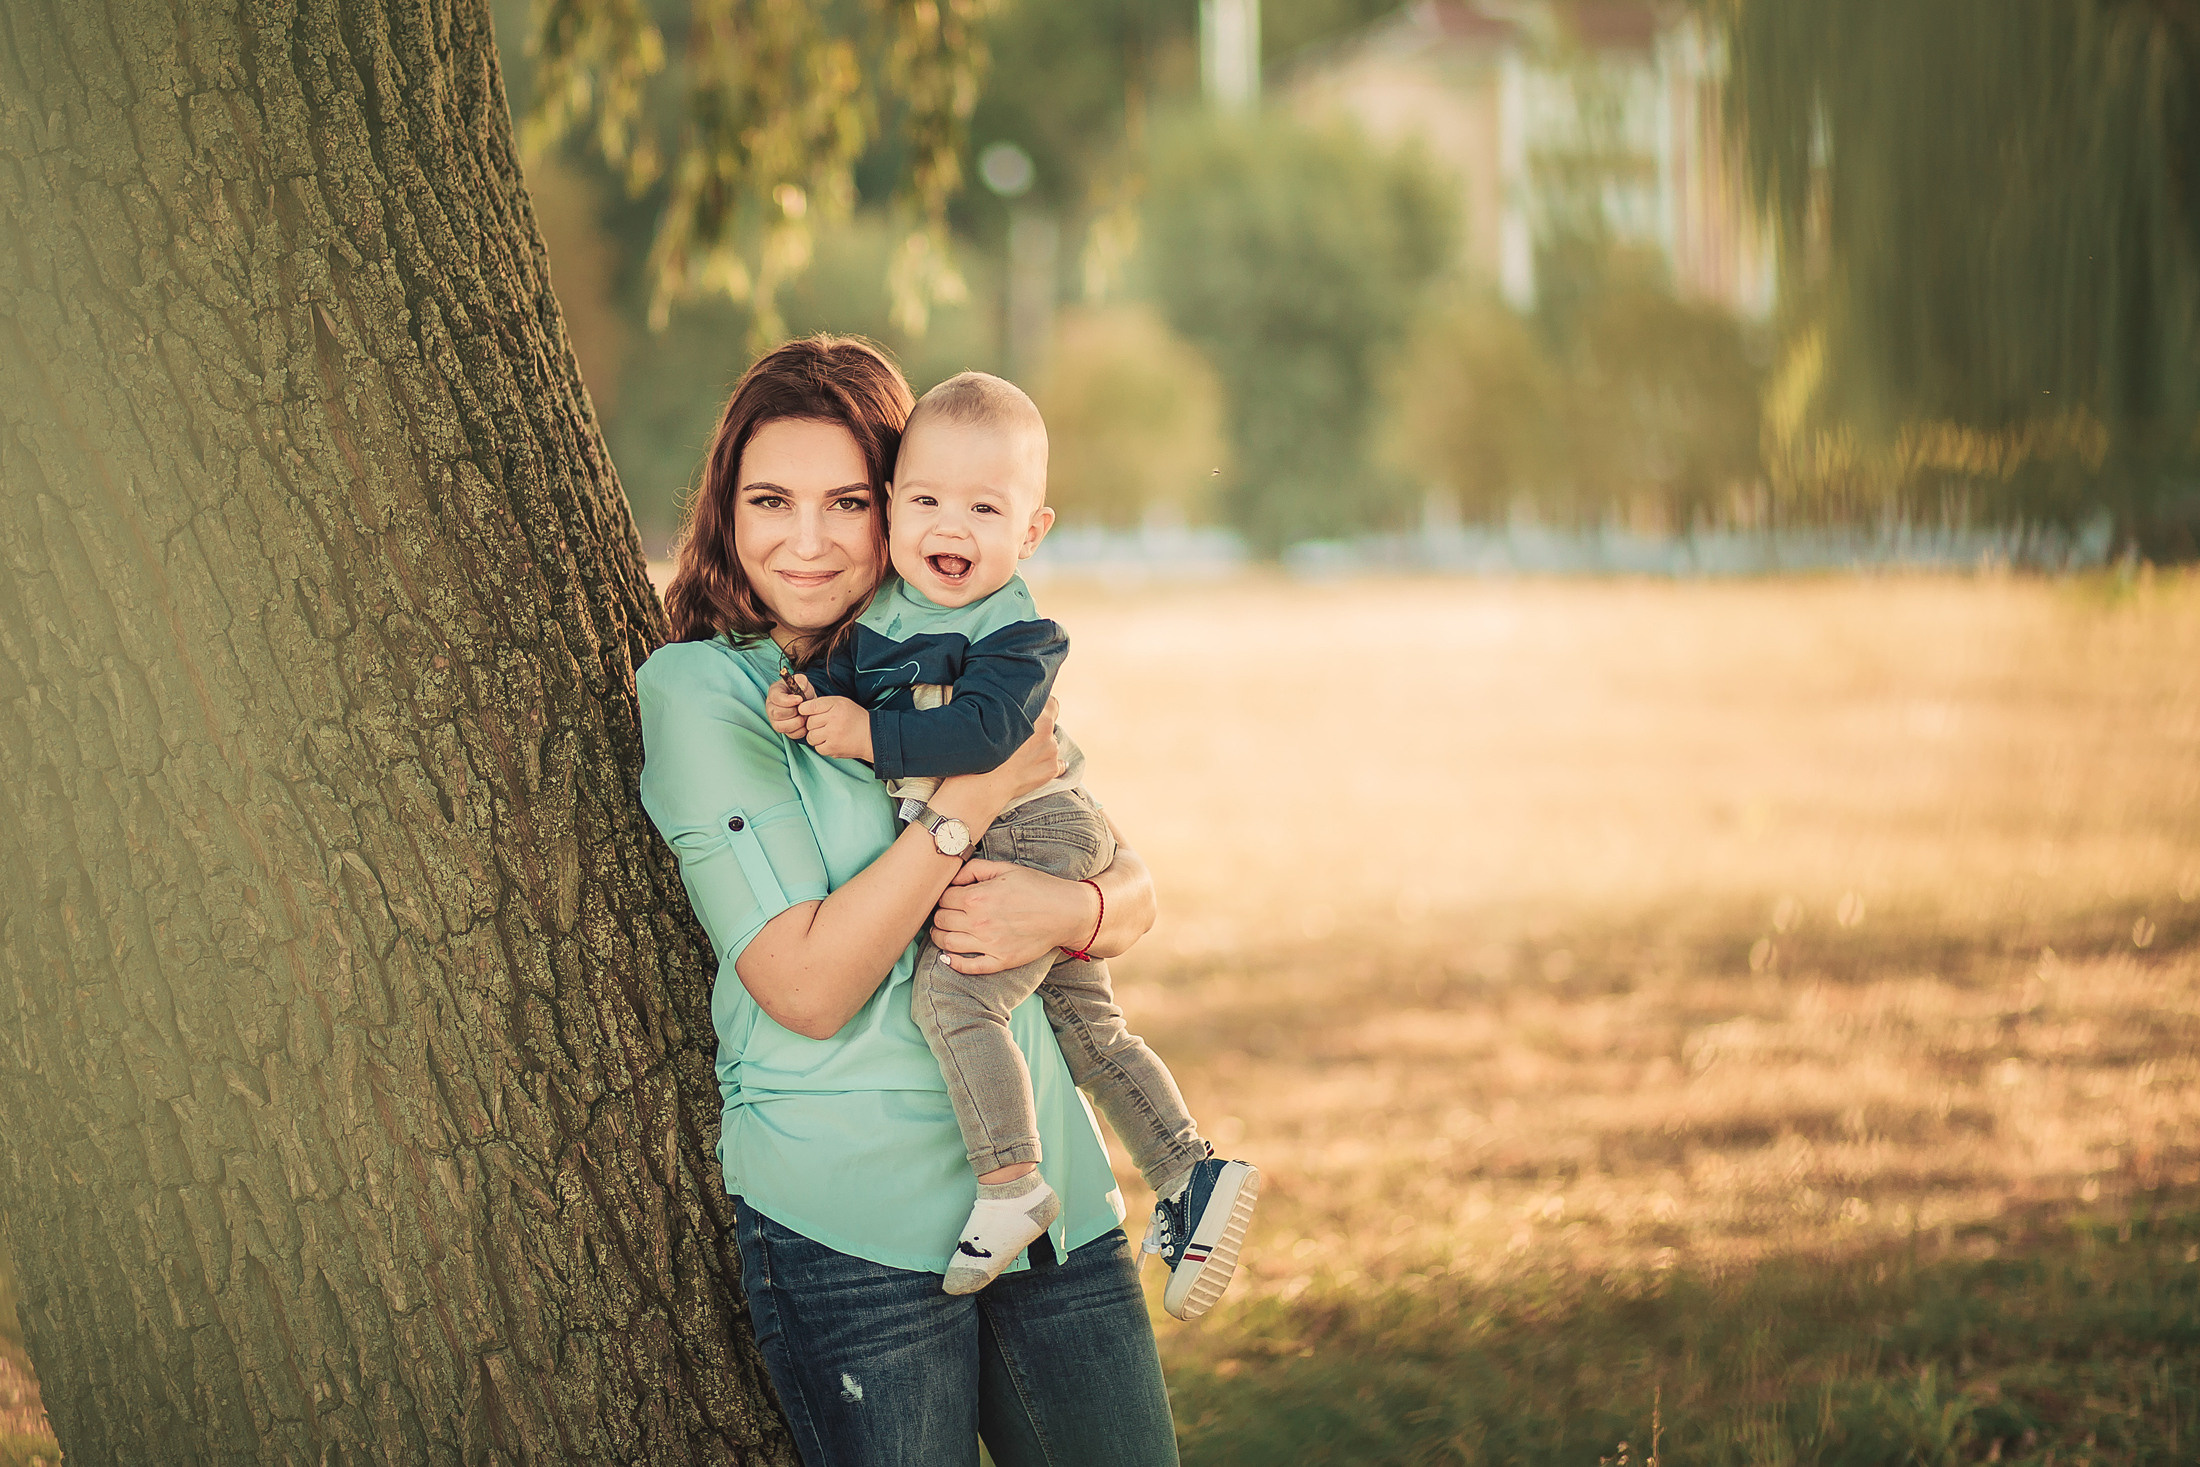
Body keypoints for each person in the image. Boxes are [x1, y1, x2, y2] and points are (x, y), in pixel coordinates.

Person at [635, 335, 1181, 1465]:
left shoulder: (953, 650)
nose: (810, 538)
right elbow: (808, 984)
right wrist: (965, 808)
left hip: (1052, 1208)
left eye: (846, 501)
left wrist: (1065, 918)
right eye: (770, 499)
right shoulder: (705, 692)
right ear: (724, 510)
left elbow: (1123, 885)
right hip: (853, 1222)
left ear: (894, 505)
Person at [769, 371, 1258, 1314]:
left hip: (1037, 825)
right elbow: (840, 673)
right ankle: (1192, 1175)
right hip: (1022, 826)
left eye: (983, 508)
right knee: (1085, 1024)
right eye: (925, 501)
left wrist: (866, 734)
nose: (949, 527)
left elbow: (991, 736)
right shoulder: (885, 613)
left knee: (953, 999)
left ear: (1030, 533)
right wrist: (806, 695)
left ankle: (1010, 1184)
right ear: (891, 510)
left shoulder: (1019, 631)